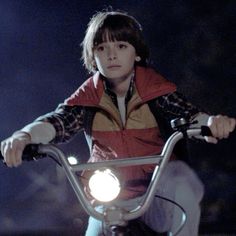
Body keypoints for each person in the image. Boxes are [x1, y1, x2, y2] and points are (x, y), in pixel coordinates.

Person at [1, 10, 235, 236]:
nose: (112, 55)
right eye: (102, 48)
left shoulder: (156, 91)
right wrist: (24, 137)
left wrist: (211, 123)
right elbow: (56, 122)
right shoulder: (87, 99)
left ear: (137, 54)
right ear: (93, 57)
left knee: (182, 183)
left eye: (121, 46)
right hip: (111, 195)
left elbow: (188, 114)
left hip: (158, 193)